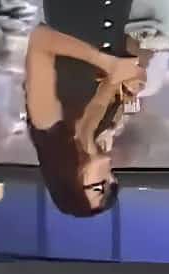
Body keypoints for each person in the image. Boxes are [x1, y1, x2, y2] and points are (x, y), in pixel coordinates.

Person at [25, 0, 146, 217]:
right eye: (112, 184)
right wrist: (135, 72)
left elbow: (40, 40)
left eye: (99, 188)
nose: (109, 178)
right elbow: (128, 45)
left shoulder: (49, 124)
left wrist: (105, 62)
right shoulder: (106, 123)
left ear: (71, 182)